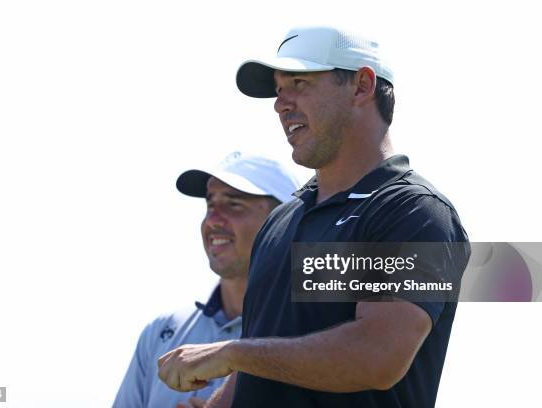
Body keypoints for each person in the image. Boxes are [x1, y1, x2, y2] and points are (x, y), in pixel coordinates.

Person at [157, 26, 471, 408]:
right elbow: (268, 352)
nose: (280, 104)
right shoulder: (280, 220)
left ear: (361, 86)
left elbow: (378, 356)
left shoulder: (415, 211)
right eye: (279, 89)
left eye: (299, 82)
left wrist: (232, 352)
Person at [113, 152, 299, 408]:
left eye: (234, 204)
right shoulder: (161, 332)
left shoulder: (323, 327)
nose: (212, 220)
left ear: (285, 219)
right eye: (210, 205)